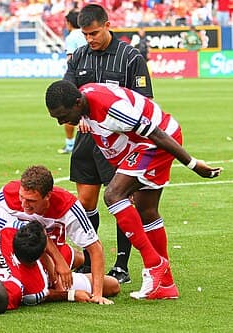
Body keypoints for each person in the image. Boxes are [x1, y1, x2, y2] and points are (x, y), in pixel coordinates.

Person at [45, 80, 223, 299]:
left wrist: (194, 165)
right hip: (141, 144)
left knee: (112, 195)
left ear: (77, 102)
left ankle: (154, 263)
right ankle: (165, 285)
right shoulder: (85, 106)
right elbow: (112, 145)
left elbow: (157, 134)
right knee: (146, 210)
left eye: (62, 116)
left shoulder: (113, 110)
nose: (61, 122)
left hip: (157, 141)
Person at [63, 4, 153, 283]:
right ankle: (90, 260)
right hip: (87, 139)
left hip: (118, 142)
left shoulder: (130, 57)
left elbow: (144, 100)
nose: (90, 39)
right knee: (86, 202)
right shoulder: (79, 56)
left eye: (94, 33)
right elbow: (67, 93)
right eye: (86, 34)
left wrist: (116, 124)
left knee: (119, 201)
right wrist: (78, 118)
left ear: (107, 24)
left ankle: (121, 266)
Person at [0, 165, 112, 304]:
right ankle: (67, 266)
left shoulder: (69, 208)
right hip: (26, 255)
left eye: (31, 201)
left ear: (48, 195)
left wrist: (97, 294)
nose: (24, 205)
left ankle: (75, 260)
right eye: (21, 197)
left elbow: (95, 248)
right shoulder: (6, 195)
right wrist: (70, 293)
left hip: (56, 251)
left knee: (112, 286)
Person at [0, 220, 120, 305]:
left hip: (51, 267)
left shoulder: (7, 233)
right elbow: (47, 294)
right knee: (113, 285)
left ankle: (78, 259)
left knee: (76, 257)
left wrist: (58, 262)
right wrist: (70, 295)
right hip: (50, 281)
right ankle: (78, 261)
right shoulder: (33, 290)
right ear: (43, 251)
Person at [58, 9, 86, 155]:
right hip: (90, 76)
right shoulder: (86, 33)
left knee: (69, 109)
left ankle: (70, 144)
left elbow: (71, 59)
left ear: (69, 23)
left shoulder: (71, 37)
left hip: (77, 78)